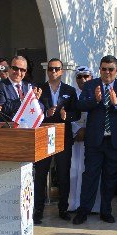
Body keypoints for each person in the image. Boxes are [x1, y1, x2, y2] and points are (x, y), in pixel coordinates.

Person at [72, 55, 117, 224]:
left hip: (115, 142)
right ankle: (83, 211)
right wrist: (96, 100)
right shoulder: (91, 85)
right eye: (104, 69)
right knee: (90, 176)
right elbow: (81, 105)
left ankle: (106, 211)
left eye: (111, 69)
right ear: (100, 69)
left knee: (110, 178)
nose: (107, 72)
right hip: (95, 140)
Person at [35, 58, 79, 224]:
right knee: (40, 174)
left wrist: (67, 116)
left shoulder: (70, 90)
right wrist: (46, 113)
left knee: (63, 174)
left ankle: (63, 209)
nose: (53, 72)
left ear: (62, 71)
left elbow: (77, 113)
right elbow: (32, 112)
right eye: (50, 69)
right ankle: (38, 211)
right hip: (43, 136)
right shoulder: (39, 89)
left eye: (56, 69)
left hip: (62, 135)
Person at [68, 66, 101, 212]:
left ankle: (92, 206)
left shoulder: (97, 93)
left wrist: (87, 131)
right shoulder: (71, 94)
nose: (83, 80)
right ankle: (73, 204)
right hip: (76, 139)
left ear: (91, 78)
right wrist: (77, 130)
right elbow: (67, 116)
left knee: (91, 171)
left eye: (86, 76)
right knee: (74, 171)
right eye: (80, 77)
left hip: (92, 138)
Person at [0, 55, 42, 120]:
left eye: (22, 70)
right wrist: (23, 100)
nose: (18, 72)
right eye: (15, 68)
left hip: (28, 126)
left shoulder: (29, 87)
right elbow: (2, 110)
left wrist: (35, 101)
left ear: (25, 71)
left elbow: (42, 107)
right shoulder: (0, 86)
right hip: (10, 127)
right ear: (9, 69)